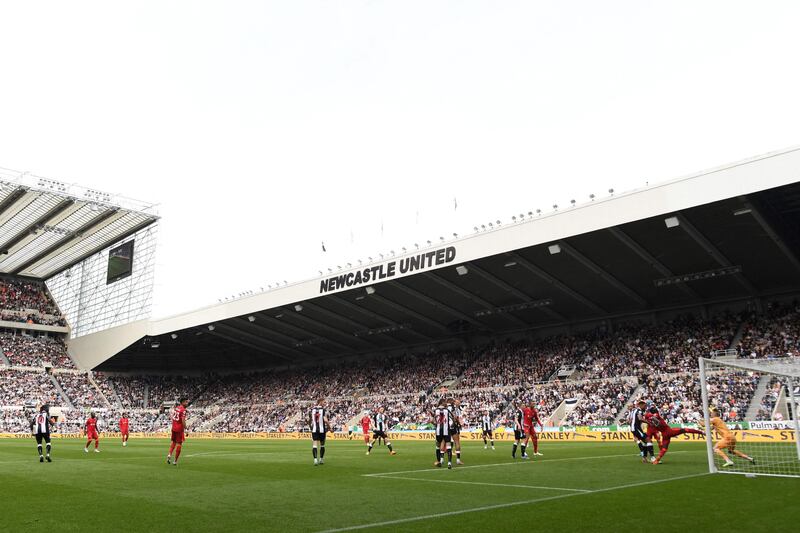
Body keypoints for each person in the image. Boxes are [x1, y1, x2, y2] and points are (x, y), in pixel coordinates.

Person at [167, 398, 189, 465]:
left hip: (174, 427)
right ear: (182, 402)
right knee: (179, 444)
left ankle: (169, 454)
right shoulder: (183, 410)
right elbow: (183, 420)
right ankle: (175, 461)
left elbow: (173, 416)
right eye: (186, 402)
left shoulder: (177, 408)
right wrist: (186, 429)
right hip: (179, 429)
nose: (187, 403)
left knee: (173, 442)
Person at [433, 400, 453, 469]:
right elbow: (452, 419)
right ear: (442, 403)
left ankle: (439, 461)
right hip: (446, 430)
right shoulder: (447, 410)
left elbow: (434, 422)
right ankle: (449, 463)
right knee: (448, 446)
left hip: (438, 431)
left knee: (438, 446)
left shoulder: (435, 410)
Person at [309, 399, 329, 466]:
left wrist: (310, 427)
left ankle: (315, 460)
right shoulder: (323, 410)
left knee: (314, 444)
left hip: (314, 430)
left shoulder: (312, 409)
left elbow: (309, 420)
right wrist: (330, 427)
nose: (325, 403)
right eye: (324, 402)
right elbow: (325, 420)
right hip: (322, 430)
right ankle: (321, 459)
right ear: (320, 402)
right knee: (322, 444)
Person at [448, 399, 464, 464]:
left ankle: (442, 459)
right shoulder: (456, 409)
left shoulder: (448, 408)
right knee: (457, 442)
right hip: (454, 426)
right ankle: (458, 460)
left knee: (448, 441)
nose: (459, 403)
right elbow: (458, 418)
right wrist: (460, 423)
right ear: (455, 402)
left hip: (448, 427)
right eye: (458, 402)